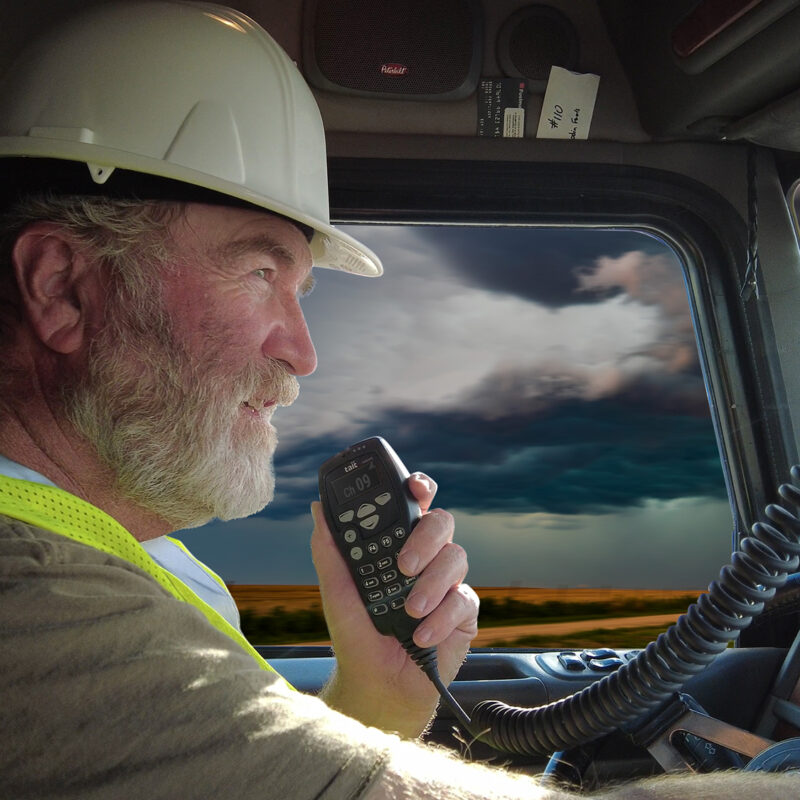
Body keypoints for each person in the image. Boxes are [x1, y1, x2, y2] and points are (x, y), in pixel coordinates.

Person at [0, 2, 796, 798]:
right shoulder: (37, 604)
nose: (303, 354)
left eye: (300, 289)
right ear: (63, 288)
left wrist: (377, 695)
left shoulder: (120, 558)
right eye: (257, 274)